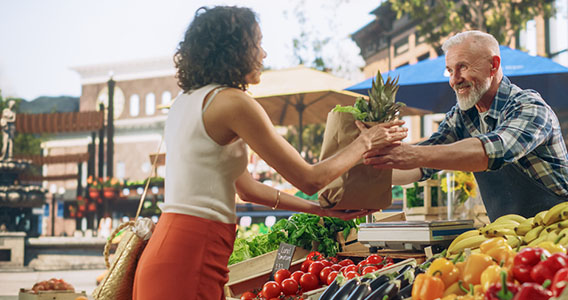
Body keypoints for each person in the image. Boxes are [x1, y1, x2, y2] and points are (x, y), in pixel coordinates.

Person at [133, 6, 407, 299]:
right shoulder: (234, 102)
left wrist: (320, 210)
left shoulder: (185, 102)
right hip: (193, 254)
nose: (263, 54)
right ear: (233, 49)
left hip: (168, 250)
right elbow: (309, 179)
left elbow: (248, 189)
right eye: (257, 43)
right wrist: (367, 142)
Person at [363, 31, 568, 221]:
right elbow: (421, 165)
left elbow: (495, 150)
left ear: (493, 65)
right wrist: (364, 173)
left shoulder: (530, 107)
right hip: (514, 235)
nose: (454, 79)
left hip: (567, 225)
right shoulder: (462, 117)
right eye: (450, 70)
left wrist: (413, 153)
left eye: (463, 67)